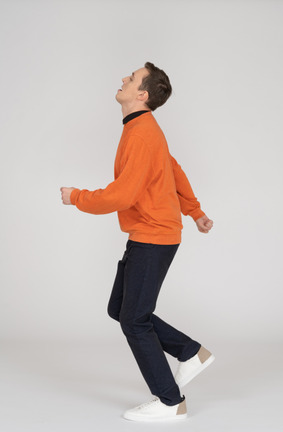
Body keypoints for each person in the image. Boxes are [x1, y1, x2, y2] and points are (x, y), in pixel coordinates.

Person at [60, 62, 215, 422]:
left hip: (154, 235)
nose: (123, 80)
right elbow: (173, 168)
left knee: (133, 319)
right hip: (149, 233)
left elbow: (121, 195)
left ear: (142, 95)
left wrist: (77, 197)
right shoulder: (143, 129)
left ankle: (169, 401)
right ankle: (190, 352)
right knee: (121, 309)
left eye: (130, 79)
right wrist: (194, 211)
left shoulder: (142, 132)